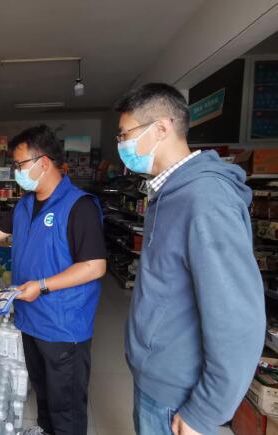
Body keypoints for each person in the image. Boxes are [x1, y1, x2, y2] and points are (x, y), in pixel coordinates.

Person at [0, 125, 106, 435]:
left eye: (21, 164)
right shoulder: (26, 204)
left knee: (65, 404)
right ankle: (45, 430)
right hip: (30, 317)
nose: (17, 172)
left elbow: (94, 266)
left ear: (44, 162)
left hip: (63, 324)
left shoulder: (79, 206)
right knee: (43, 390)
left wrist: (42, 285)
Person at [114, 83, 266, 435]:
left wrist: (205, 410)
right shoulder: (168, 193)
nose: (121, 145)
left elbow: (238, 319)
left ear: (161, 128)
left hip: (179, 396)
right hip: (157, 377)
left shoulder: (205, 200)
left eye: (125, 135)